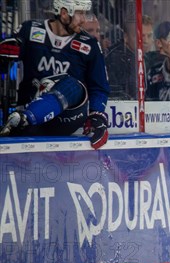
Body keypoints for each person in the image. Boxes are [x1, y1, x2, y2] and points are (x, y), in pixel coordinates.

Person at [0, 0, 109, 150]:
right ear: (64, 13)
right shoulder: (30, 30)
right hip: (28, 113)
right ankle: (24, 119)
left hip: (65, 119)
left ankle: (25, 118)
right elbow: (6, 62)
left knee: (74, 85)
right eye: (79, 13)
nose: (84, 19)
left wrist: (97, 115)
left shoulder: (90, 44)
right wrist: (5, 53)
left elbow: (99, 87)